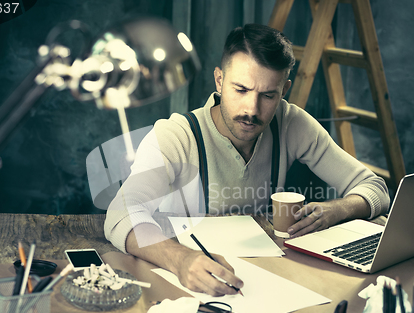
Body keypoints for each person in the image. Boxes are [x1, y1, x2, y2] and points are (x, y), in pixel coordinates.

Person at [105, 24, 390, 297]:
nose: (251, 110)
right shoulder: (176, 135)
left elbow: (374, 187)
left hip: (265, 280)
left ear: (284, 90)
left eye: (268, 95)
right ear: (219, 80)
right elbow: (122, 213)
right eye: (240, 90)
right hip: (186, 282)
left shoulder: (291, 124)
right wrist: (180, 260)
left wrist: (335, 210)